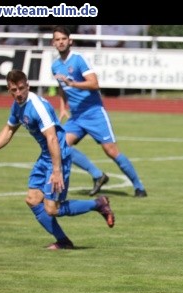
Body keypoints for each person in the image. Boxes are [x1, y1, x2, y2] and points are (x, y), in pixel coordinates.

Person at [0, 69, 115, 250]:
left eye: (21, 88)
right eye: (14, 90)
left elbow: (52, 138)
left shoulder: (38, 107)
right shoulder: (17, 105)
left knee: (52, 208)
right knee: (32, 199)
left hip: (58, 156)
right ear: (9, 89)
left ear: (28, 86)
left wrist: (56, 170)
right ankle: (64, 241)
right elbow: (9, 128)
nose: (18, 93)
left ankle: (98, 204)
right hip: (45, 156)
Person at [51, 26, 148, 197]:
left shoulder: (78, 60)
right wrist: (62, 106)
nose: (61, 42)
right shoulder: (55, 66)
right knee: (60, 146)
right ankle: (98, 175)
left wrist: (74, 84)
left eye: (63, 39)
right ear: (53, 43)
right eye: (57, 39)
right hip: (76, 116)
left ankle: (139, 186)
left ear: (70, 41)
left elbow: (94, 84)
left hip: (94, 112)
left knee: (111, 151)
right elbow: (62, 87)